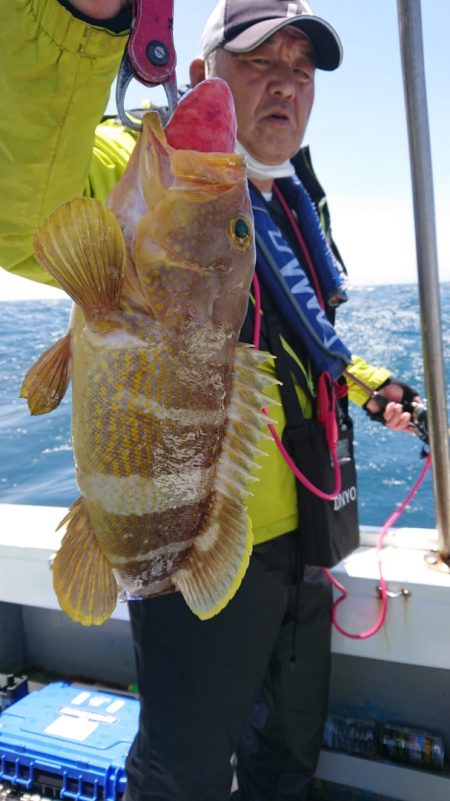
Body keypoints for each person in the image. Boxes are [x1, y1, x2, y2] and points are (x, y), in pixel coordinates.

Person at [0, 2, 422, 799]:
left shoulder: (297, 196)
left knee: (288, 756)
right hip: (189, 537)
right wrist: (80, 24)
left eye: (302, 69)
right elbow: (21, 206)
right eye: (263, 61)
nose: (285, 86)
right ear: (201, 74)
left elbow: (305, 340)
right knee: (183, 774)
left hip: (304, 535)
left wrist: (371, 386)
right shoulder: (133, 165)